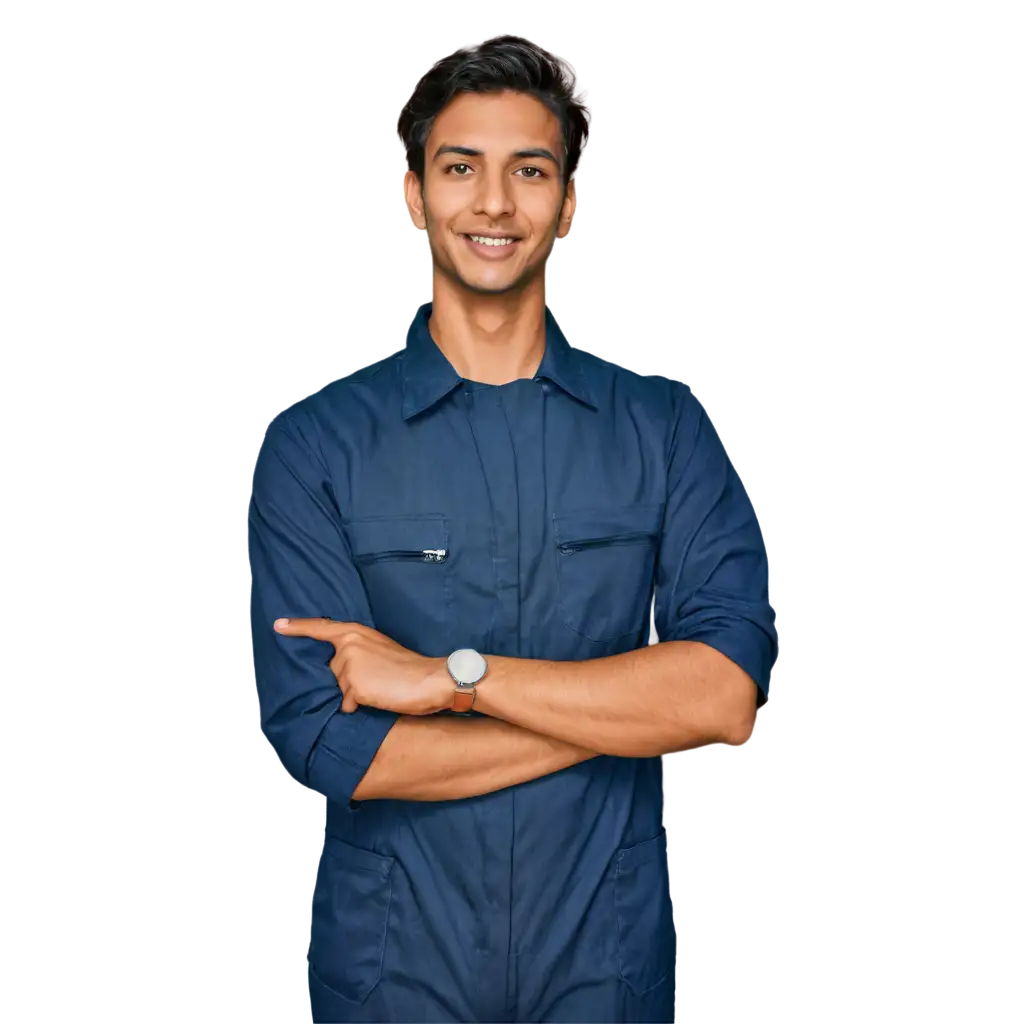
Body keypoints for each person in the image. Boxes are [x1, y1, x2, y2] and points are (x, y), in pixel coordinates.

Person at [244, 33, 773, 1024]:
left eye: (529, 171)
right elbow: (328, 747)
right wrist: (619, 714)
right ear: (410, 194)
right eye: (459, 168)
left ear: (569, 201)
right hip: (392, 983)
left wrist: (452, 679)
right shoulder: (314, 444)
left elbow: (723, 694)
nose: (494, 204)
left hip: (603, 979)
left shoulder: (661, 432)